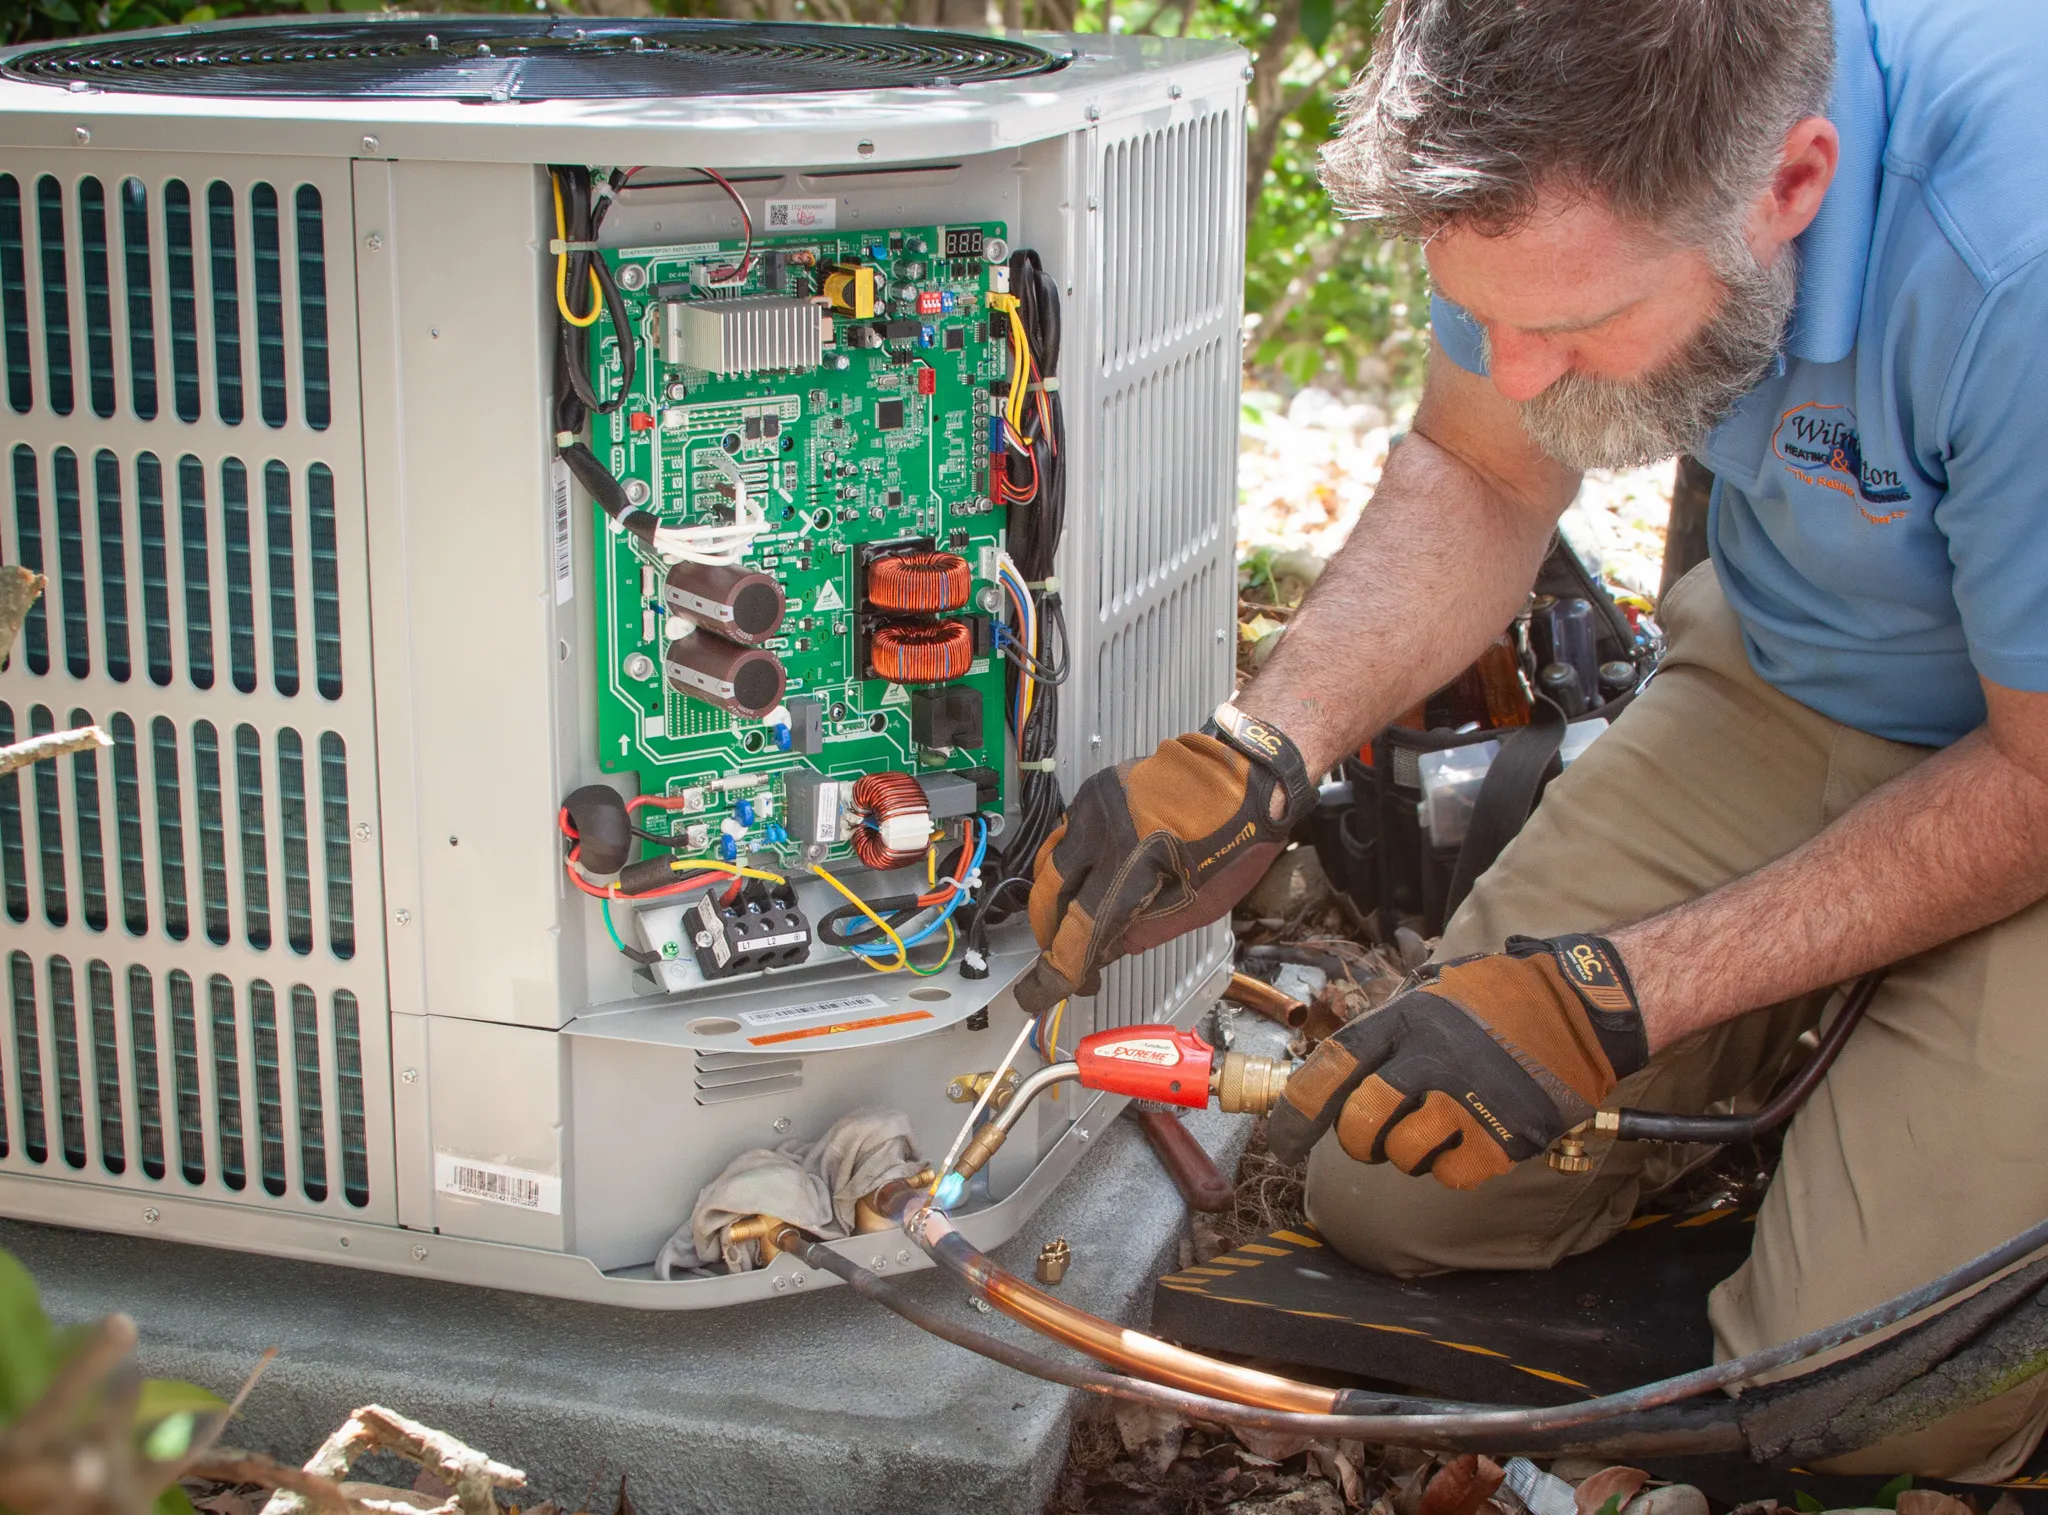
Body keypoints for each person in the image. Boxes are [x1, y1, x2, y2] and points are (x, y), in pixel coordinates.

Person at [1016, 0, 2048, 1480]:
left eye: (1566, 329)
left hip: (2027, 768)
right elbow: (1483, 465)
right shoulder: (1553, 160)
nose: (1511, 369)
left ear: (1793, 184)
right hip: (1798, 666)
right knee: (1398, 1175)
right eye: (1478, 313)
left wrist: (1616, 998)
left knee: (1876, 1401)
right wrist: (1262, 751)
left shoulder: (2014, 249)